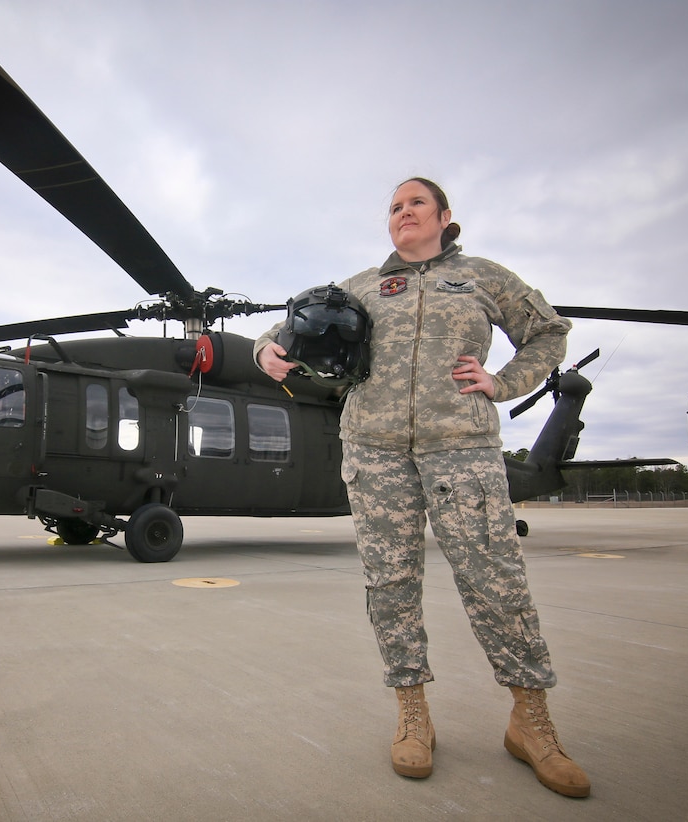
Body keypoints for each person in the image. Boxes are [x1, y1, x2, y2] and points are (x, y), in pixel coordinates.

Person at [254, 177, 590, 798]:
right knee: (391, 584)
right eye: (394, 207)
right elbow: (281, 336)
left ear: (444, 216)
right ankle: (413, 714)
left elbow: (548, 331)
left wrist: (504, 380)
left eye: (415, 203)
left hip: (461, 448)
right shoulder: (358, 287)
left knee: (495, 579)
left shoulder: (484, 277)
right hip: (375, 451)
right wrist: (266, 354)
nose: (403, 212)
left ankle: (531, 721)